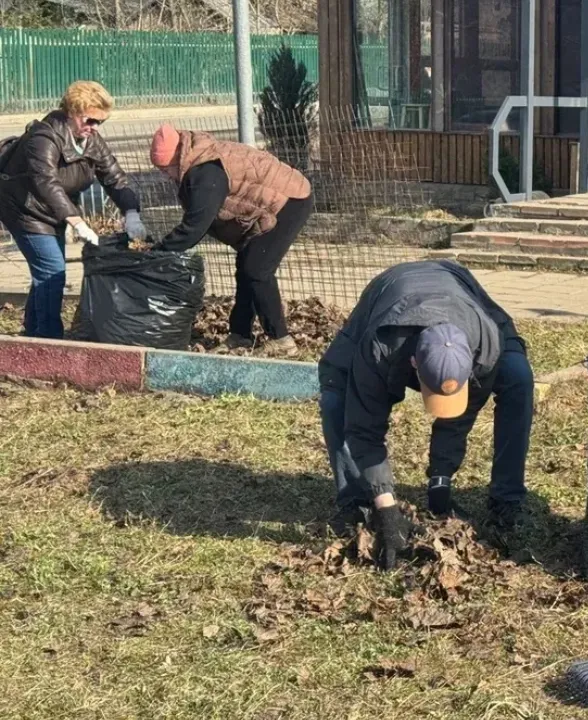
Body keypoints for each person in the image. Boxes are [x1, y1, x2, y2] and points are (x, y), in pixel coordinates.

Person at [318, 260, 535, 569]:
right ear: (414, 366)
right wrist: (388, 510)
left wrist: (440, 479)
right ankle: (359, 502)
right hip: (389, 293)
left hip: (457, 286)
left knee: (518, 377)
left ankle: (507, 500)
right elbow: (365, 426)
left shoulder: (486, 346)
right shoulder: (380, 345)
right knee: (335, 397)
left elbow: (462, 413)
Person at [148, 124, 313, 357]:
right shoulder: (198, 158)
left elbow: (195, 226)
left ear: (177, 156)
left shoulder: (206, 172)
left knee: (257, 270)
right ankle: (240, 336)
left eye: (166, 169)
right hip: (271, 200)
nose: (165, 175)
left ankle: (281, 340)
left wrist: (158, 253)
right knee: (247, 267)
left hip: (290, 199)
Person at [0, 81, 146, 339]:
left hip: (53, 211)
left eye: (100, 122)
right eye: (89, 120)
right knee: (52, 270)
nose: (94, 127)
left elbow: (114, 178)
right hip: (23, 209)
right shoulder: (44, 138)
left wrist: (131, 211)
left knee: (46, 271)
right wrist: (76, 221)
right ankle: (50, 340)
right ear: (72, 112)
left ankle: (34, 333)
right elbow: (45, 181)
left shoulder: (91, 141)